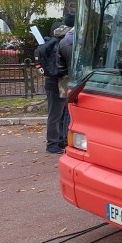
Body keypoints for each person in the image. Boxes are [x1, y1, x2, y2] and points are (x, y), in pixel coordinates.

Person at [43, 13, 73, 153]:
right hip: (59, 81)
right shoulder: (67, 41)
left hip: (53, 80)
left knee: (58, 113)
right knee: (55, 114)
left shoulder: (57, 37)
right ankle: (52, 144)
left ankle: (58, 141)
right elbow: (64, 65)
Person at [58, 13, 74, 142]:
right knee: (70, 110)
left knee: (64, 109)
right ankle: (65, 137)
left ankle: (62, 137)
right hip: (75, 79)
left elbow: (60, 65)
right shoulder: (78, 41)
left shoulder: (62, 41)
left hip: (65, 79)